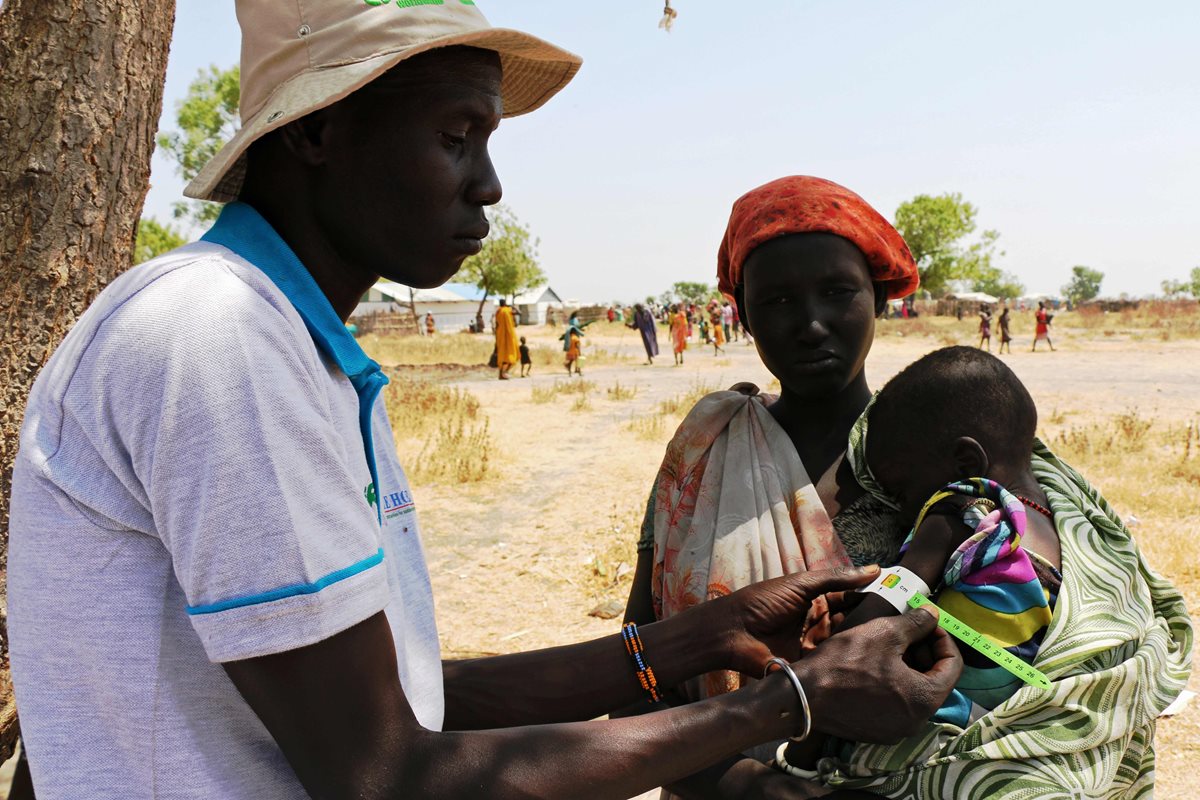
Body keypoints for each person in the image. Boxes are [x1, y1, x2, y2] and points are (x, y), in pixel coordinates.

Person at [7, 13, 961, 799]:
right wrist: (786, 704)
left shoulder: (304, 356)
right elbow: (384, 775)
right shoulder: (216, 337)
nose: (490, 185)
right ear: (315, 132)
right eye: (456, 139)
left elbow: (402, 703)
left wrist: (693, 640)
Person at [624, 176, 931, 798]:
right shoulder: (704, 448)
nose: (812, 324)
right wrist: (739, 785)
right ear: (743, 314)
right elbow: (635, 670)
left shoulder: (933, 457)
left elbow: (1009, 658)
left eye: (837, 292)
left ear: (879, 298)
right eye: (779, 302)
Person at [776, 347, 1191, 796]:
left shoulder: (959, 508)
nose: (899, 505)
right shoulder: (1055, 524)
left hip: (946, 725)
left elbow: (891, 602)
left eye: (900, 487)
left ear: (966, 465)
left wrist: (836, 638)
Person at [494, 297, 519, 379]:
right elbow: (519, 312)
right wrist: (512, 306)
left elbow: (496, 324)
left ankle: (501, 374)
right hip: (509, 335)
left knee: (502, 354)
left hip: (500, 334)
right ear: (505, 303)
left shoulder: (498, 312)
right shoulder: (508, 311)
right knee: (511, 354)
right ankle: (504, 373)